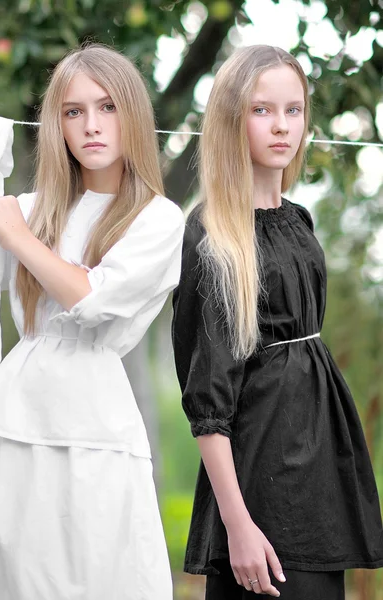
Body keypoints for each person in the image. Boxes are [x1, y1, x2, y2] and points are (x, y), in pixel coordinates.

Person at [0, 43, 184, 600]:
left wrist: (17, 238)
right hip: (14, 412)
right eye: (73, 111)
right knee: (10, 575)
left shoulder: (158, 217)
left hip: (94, 420)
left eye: (107, 107)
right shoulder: (31, 207)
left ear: (133, 114)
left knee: (96, 573)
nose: (91, 126)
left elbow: (94, 299)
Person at [172, 44, 383, 600]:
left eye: (293, 110)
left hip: (318, 464)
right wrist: (237, 525)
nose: (282, 126)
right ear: (230, 119)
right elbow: (208, 401)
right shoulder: (214, 231)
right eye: (262, 110)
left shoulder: (299, 219)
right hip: (260, 478)